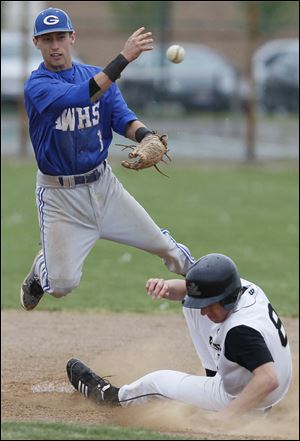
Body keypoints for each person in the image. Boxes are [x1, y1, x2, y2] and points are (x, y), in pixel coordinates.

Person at [20, 7, 195, 311]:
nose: (55, 45)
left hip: (105, 188)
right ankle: (40, 270)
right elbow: (80, 96)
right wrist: (124, 57)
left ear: (72, 37)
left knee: (166, 248)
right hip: (61, 198)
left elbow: (121, 117)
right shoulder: (38, 86)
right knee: (61, 285)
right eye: (47, 39)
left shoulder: (95, 75)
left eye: (60, 37)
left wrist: (147, 136)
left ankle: (214, 285)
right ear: (36, 43)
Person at [66, 253, 292, 417]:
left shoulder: (239, 332)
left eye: (209, 305)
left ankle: (112, 398)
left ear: (225, 299)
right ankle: (215, 378)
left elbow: (268, 379)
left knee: (157, 382)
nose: (203, 310)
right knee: (190, 306)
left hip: (248, 396)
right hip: (265, 374)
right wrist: (166, 287)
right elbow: (188, 289)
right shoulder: (241, 288)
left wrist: (225, 419)